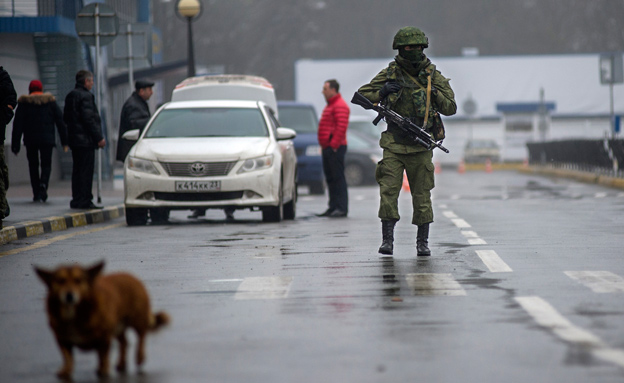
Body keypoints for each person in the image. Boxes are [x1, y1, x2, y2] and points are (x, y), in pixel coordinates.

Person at [357, 27, 457, 256]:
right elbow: (363, 94)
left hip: (420, 145)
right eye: (408, 48)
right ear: (400, 49)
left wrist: (432, 93)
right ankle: (387, 240)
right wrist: (382, 92)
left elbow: (451, 107)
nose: (412, 51)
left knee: (422, 195)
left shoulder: (432, 74)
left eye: (417, 47)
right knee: (388, 191)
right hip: (393, 143)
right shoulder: (391, 72)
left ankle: (422, 242)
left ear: (423, 48)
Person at [12, 80, 69, 202]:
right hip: (47, 140)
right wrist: (65, 141)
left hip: (30, 140)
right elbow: (61, 122)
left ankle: (36, 193)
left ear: (30, 90)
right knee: (46, 164)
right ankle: (44, 184)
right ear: (41, 89)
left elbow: (18, 125)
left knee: (33, 166)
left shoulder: (24, 103)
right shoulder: (50, 102)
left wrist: (15, 145)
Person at [64, 70, 106, 209]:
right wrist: (98, 138)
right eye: (91, 81)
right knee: (86, 171)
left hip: (75, 141)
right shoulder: (86, 96)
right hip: (86, 141)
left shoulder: (70, 96)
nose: (92, 83)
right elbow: (89, 119)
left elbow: (66, 117)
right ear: (86, 81)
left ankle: (76, 199)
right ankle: (85, 200)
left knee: (77, 170)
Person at [316, 79, 350, 218]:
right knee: (331, 178)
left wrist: (334, 145)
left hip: (335, 147)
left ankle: (341, 207)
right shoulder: (331, 105)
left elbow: (341, 127)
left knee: (338, 178)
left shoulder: (339, 105)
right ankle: (333, 206)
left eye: (325, 89)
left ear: (333, 90)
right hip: (328, 147)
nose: (323, 92)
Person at [116, 79, 154, 162]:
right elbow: (135, 124)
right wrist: (152, 123)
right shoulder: (133, 105)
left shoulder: (139, 103)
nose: (152, 92)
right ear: (141, 91)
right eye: (149, 90)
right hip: (131, 149)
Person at [0, 66, 17, 229]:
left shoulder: (2, 76)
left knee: (1, 170)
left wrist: (3, 119)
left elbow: (12, 99)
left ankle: (2, 204)